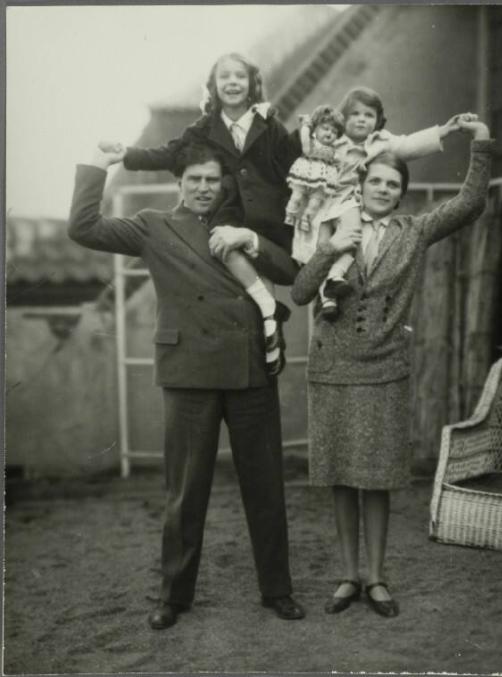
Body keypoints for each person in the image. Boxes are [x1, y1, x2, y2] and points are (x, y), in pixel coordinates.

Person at [68, 141, 305, 629]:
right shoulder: (153, 224)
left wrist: (253, 241)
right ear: (179, 182)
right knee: (185, 491)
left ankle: (277, 589)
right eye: (193, 179)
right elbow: (83, 227)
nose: (202, 188)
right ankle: (173, 596)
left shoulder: (244, 224)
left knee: (265, 487)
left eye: (211, 180)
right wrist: (97, 163)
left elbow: (292, 272)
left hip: (249, 367)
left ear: (224, 184)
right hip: (189, 372)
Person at [291, 117, 492, 617]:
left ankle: (376, 579)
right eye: (375, 181)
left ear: (401, 194)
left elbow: (470, 203)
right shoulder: (334, 225)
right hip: (333, 367)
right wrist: (331, 249)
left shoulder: (415, 232)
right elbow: (298, 294)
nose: (383, 188)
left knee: (376, 477)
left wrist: (482, 141)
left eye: (392, 184)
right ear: (360, 186)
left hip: (384, 368)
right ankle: (346, 577)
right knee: (340, 476)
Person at [100, 52, 301, 372]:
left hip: (270, 220)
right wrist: (127, 155)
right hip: (229, 216)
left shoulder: (269, 124)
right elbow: (170, 153)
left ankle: (271, 331)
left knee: (269, 278)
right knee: (235, 270)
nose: (232, 82)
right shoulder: (204, 128)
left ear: (251, 84)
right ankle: (267, 322)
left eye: (240, 76)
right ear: (213, 86)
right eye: (225, 77)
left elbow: (291, 161)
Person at [294, 87, 477, 320]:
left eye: (369, 115)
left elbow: (408, 144)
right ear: (343, 118)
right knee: (321, 247)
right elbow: (308, 148)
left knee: (351, 243)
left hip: (353, 205)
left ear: (378, 120)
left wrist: (445, 130)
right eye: (355, 114)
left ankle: (334, 285)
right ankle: (326, 297)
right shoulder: (332, 139)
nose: (362, 120)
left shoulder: (381, 141)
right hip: (326, 202)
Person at [284, 105, 344, 231]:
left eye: (334, 132)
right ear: (315, 129)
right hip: (305, 173)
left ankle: (306, 219)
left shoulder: (334, 150)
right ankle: (290, 214)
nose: (329, 133)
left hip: (321, 182)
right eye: (325, 128)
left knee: (315, 203)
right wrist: (306, 125)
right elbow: (305, 139)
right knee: (296, 196)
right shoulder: (310, 143)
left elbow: (340, 163)